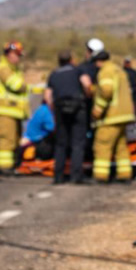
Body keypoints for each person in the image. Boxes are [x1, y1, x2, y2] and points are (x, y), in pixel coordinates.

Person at [90, 50, 136, 183]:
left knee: (102, 144)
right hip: (125, 115)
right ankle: (124, 175)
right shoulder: (119, 70)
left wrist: (97, 110)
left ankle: (100, 176)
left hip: (112, 116)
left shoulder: (106, 71)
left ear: (98, 61)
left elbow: (106, 91)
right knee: (121, 146)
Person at [46, 50, 89, 184]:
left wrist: (54, 110)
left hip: (60, 109)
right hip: (77, 109)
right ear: (71, 59)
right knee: (77, 143)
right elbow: (87, 84)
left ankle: (58, 177)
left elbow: (47, 97)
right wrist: (87, 98)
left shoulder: (54, 74)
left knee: (61, 144)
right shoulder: (78, 70)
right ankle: (76, 176)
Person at [0, 41, 29, 175]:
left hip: (13, 112)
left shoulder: (12, 68)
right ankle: (5, 167)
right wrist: (25, 86)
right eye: (17, 55)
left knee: (12, 140)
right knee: (7, 141)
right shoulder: (4, 68)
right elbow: (16, 85)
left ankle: (0, 164)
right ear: (10, 54)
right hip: (5, 112)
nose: (18, 58)